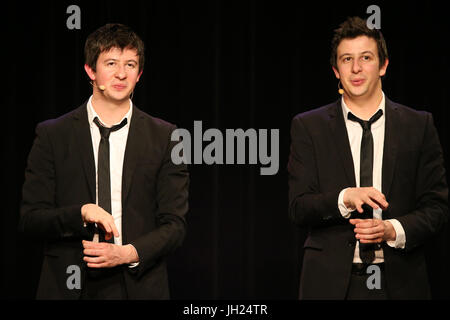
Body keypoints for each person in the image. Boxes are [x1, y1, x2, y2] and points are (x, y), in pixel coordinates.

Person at [19, 23, 189, 299]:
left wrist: (127, 253)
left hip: (138, 284)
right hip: (69, 286)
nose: (121, 73)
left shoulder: (167, 137)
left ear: (139, 74)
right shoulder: (53, 134)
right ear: (90, 70)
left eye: (130, 65)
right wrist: (82, 212)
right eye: (111, 63)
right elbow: (31, 219)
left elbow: (175, 225)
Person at [288, 16, 448, 299]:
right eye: (346, 59)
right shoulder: (308, 127)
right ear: (336, 70)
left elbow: (436, 208)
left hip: (400, 283)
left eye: (366, 57)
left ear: (383, 65)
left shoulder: (418, 125)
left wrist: (391, 229)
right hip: (329, 285)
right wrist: (345, 197)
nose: (356, 68)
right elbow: (299, 207)